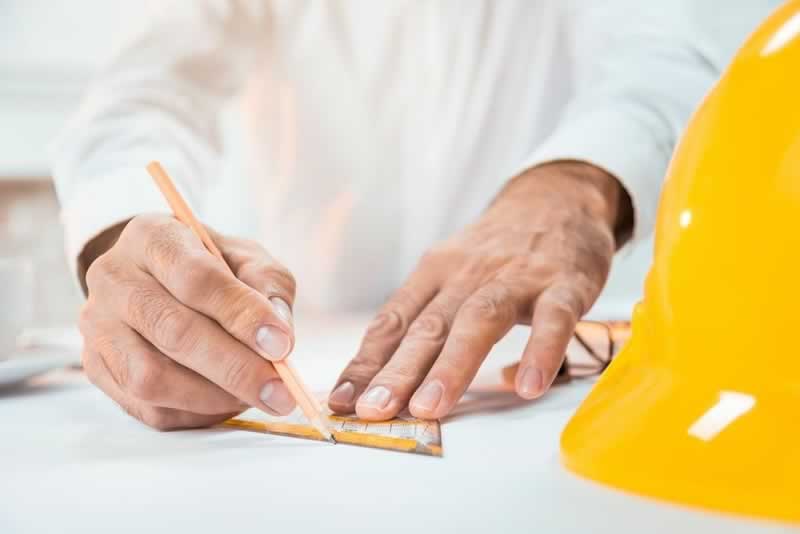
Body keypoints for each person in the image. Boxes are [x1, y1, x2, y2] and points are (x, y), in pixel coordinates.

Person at [52, 1, 775, 430]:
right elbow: (140, 97)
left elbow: (668, 59)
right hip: (296, 342)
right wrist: (130, 237)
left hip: (557, 358)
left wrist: (577, 184)